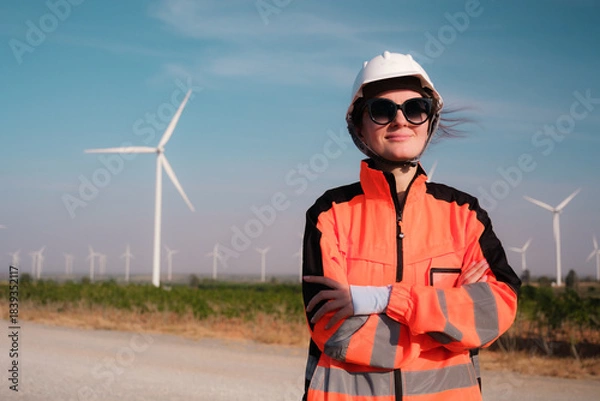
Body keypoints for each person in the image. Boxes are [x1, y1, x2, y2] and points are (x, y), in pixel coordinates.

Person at [301, 51, 521, 401]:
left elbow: (494, 313)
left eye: (415, 108)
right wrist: (449, 319)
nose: (400, 121)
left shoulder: (464, 213)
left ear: (429, 119)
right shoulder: (330, 213)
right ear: (359, 125)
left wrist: (384, 300)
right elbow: (337, 332)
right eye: (382, 110)